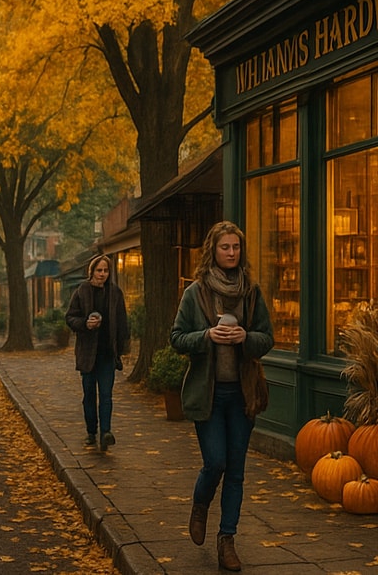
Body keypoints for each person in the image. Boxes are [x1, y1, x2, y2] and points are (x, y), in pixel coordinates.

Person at [170, 221, 274, 572]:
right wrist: (206, 337)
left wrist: (246, 336)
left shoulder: (251, 292)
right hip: (209, 394)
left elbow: (267, 338)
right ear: (212, 251)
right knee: (215, 462)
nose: (231, 253)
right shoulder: (195, 293)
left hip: (243, 393)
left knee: (237, 471)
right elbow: (177, 338)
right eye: (225, 247)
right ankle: (200, 505)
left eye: (236, 247)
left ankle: (226, 539)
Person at [65, 254, 129, 452]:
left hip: (107, 354)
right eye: (99, 270)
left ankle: (106, 433)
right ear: (91, 271)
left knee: (107, 395)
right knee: (89, 394)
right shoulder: (81, 291)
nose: (102, 274)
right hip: (87, 353)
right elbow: (70, 318)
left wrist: (121, 348)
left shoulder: (115, 293)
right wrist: (85, 324)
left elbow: (122, 322)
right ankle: (91, 432)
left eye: (106, 270)